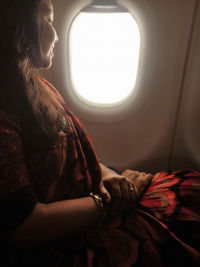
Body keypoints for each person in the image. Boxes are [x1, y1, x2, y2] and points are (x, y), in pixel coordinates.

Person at [0, 0, 199, 266]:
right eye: (47, 19)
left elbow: (79, 158)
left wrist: (109, 177)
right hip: (63, 239)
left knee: (190, 185)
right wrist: (104, 203)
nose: (57, 36)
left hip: (92, 201)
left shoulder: (38, 87)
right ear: (19, 26)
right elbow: (25, 228)